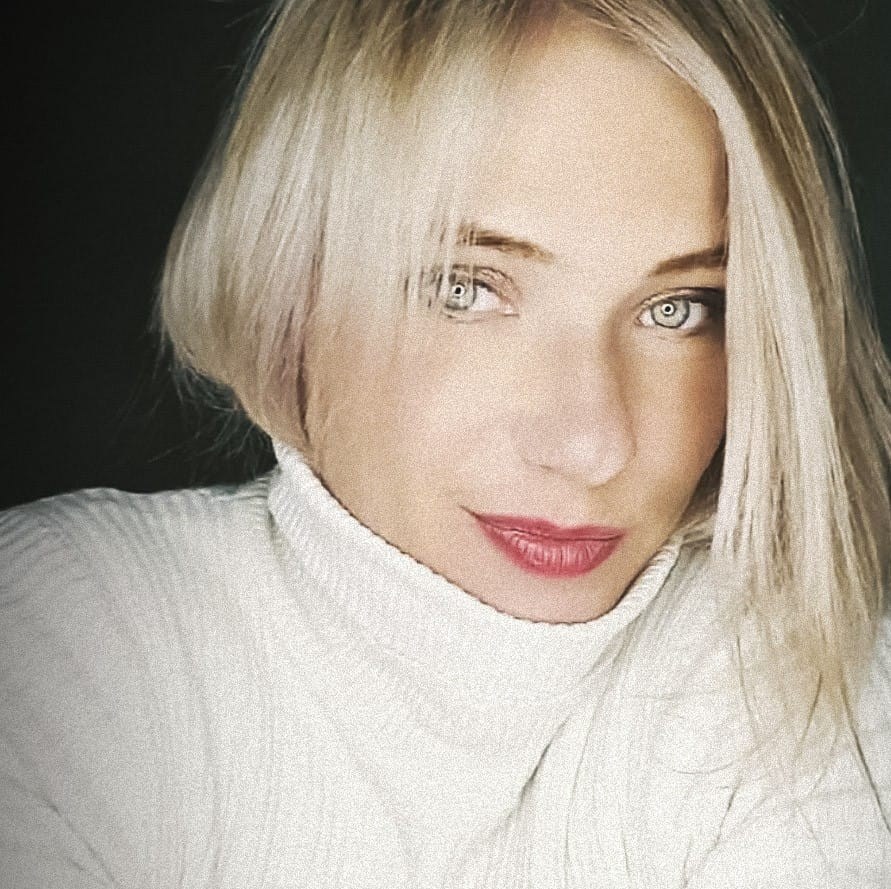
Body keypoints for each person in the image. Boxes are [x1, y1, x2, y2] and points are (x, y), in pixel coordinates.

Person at [2, 0, 889, 885]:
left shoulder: (797, 677)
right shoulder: (66, 638)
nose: (590, 445)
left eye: (678, 309)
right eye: (466, 288)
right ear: (291, 283)